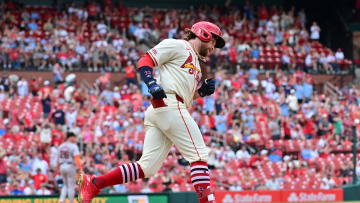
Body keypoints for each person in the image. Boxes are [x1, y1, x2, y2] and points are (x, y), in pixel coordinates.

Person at [77, 21, 225, 203]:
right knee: (199, 155)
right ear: (204, 34)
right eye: (213, 42)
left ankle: (94, 183)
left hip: (165, 108)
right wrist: (151, 83)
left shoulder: (196, 62)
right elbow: (145, 60)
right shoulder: (178, 45)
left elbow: (186, 94)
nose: (213, 48)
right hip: (169, 104)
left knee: (147, 167)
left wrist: (201, 92)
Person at [58, 132, 83, 203]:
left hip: (62, 165)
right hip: (70, 165)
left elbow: (58, 159)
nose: (75, 139)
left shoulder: (61, 146)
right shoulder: (73, 146)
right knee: (71, 186)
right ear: (71, 137)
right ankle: (71, 201)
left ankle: (61, 200)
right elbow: (77, 158)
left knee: (65, 185)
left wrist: (58, 168)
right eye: (74, 137)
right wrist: (80, 168)